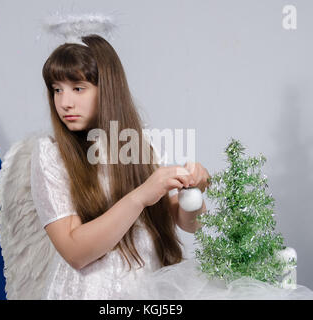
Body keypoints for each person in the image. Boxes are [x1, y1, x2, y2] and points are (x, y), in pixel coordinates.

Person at [30, 34, 210, 300]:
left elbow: (189, 225)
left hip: (149, 289)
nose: (65, 102)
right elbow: (75, 252)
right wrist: (139, 196)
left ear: (109, 88)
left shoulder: (141, 143)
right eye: (57, 89)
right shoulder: (51, 154)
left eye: (78, 88)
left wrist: (191, 196)